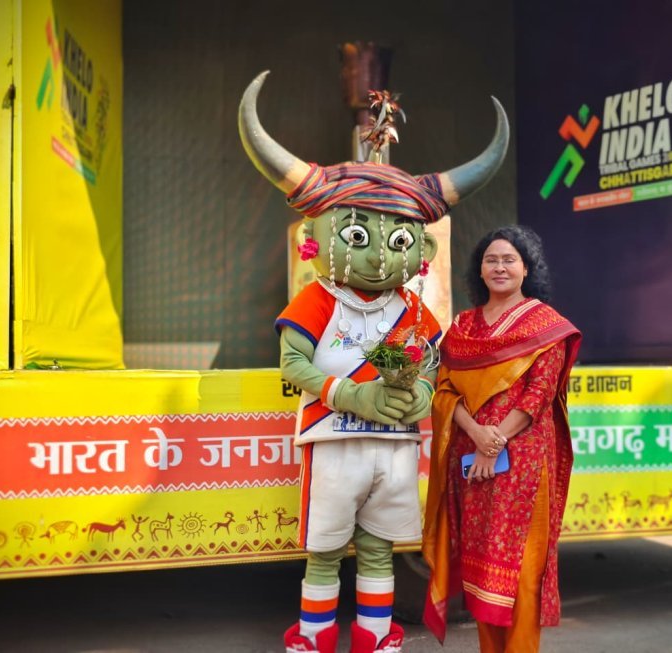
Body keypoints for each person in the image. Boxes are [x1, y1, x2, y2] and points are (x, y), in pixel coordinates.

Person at [237, 71, 509, 653]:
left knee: (380, 548)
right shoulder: (317, 300)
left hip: (393, 448)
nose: (382, 256)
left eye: (400, 241)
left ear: (423, 249)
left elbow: (427, 365)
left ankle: (376, 634)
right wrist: (351, 393)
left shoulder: (411, 309)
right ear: (314, 237)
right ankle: (315, 636)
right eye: (358, 236)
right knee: (324, 549)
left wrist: (419, 392)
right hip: (334, 440)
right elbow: (293, 362)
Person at [422, 225, 581, 652]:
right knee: (482, 574)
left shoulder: (546, 325)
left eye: (509, 259)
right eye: (491, 260)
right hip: (472, 468)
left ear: (526, 268)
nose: (499, 267)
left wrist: (493, 443)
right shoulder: (464, 325)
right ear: (480, 270)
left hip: (523, 469)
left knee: (522, 575)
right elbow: (444, 390)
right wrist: (477, 436)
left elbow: (538, 395)